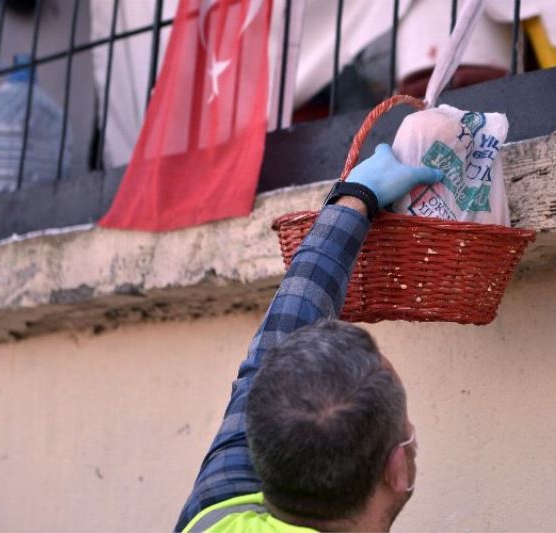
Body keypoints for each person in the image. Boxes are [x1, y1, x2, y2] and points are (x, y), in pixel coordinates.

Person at [175, 144, 444, 532]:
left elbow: (278, 338)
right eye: (407, 433)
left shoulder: (214, 520)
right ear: (397, 469)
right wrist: (357, 197)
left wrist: (359, 196)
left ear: (260, 446)